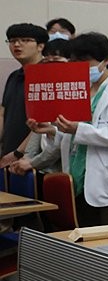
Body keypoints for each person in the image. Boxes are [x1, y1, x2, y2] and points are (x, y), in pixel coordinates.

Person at [28, 33, 108, 226]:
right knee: (85, 245)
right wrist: (51, 130)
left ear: (106, 60)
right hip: (78, 179)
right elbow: (68, 135)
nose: (79, 67)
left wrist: (79, 130)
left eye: (85, 61)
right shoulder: (77, 89)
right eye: (74, 61)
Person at [8, 40, 71, 178]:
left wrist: (33, 162)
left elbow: (62, 142)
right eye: (47, 60)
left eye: (56, 59)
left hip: (58, 168)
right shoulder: (45, 89)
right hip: (40, 168)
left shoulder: (70, 92)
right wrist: (26, 157)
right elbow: (36, 131)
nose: (50, 65)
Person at [0, 23, 47, 169]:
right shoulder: (14, 76)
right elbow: (3, 114)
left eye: (25, 40)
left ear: (40, 46)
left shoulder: (48, 75)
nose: (17, 45)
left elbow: (45, 122)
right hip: (7, 156)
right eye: (12, 41)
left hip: (32, 160)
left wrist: (18, 152)